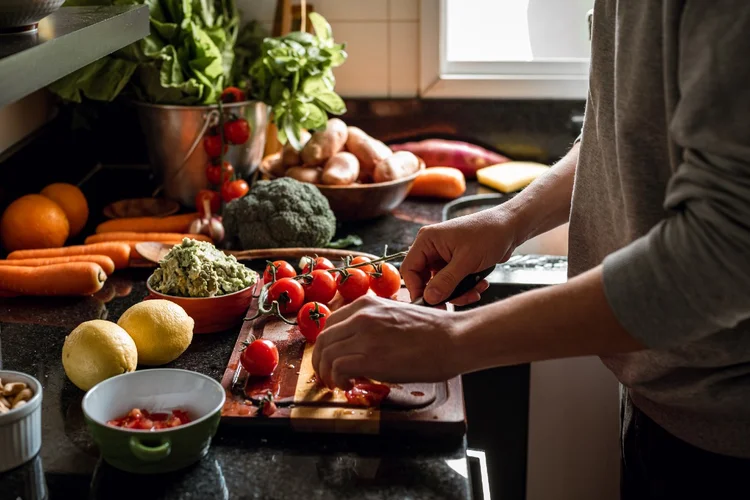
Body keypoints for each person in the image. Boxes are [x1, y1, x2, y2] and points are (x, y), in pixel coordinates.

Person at [312, 1, 750, 498]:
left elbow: (728, 250)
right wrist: (510, 219)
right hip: (667, 400)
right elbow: (626, 130)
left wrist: (454, 338)